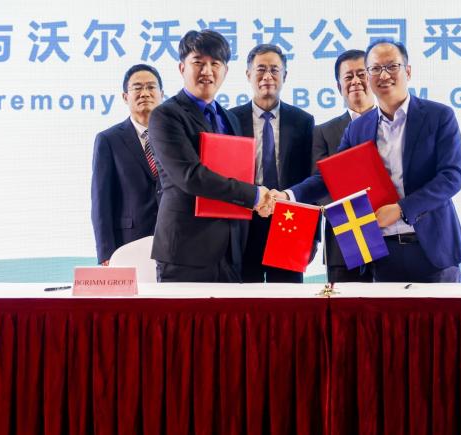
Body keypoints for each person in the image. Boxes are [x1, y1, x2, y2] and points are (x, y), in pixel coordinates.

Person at [284, 40, 461, 283]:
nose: (384, 75)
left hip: (433, 250)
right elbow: (331, 178)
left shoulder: (439, 116)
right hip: (382, 254)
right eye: (375, 69)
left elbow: (451, 178)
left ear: (408, 71)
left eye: (392, 66)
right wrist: (288, 196)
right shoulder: (358, 128)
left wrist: (401, 209)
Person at [147, 29, 274, 282]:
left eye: (215, 63)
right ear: (182, 68)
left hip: (231, 251)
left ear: (225, 71)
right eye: (198, 62)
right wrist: (254, 195)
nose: (207, 71)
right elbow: (190, 176)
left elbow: (238, 174)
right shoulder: (165, 115)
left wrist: (262, 199)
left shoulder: (230, 119)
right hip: (186, 250)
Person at [230, 44, 316, 283]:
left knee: (288, 298)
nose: (267, 76)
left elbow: (311, 178)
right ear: (248, 74)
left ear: (284, 76)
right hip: (244, 222)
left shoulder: (303, 121)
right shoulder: (230, 119)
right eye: (260, 69)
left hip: (289, 221)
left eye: (274, 70)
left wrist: (313, 236)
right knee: (245, 296)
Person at [90, 63, 164, 264]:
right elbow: (101, 201)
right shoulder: (109, 139)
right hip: (128, 243)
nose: (145, 93)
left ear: (161, 94)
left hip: (172, 238)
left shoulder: (174, 137)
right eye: (137, 88)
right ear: (125, 97)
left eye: (151, 87)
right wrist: (106, 253)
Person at [313, 49, 376, 282]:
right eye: (348, 76)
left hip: (392, 238)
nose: (355, 81)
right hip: (343, 242)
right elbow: (319, 186)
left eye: (362, 74)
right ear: (339, 87)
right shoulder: (323, 132)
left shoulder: (393, 124)